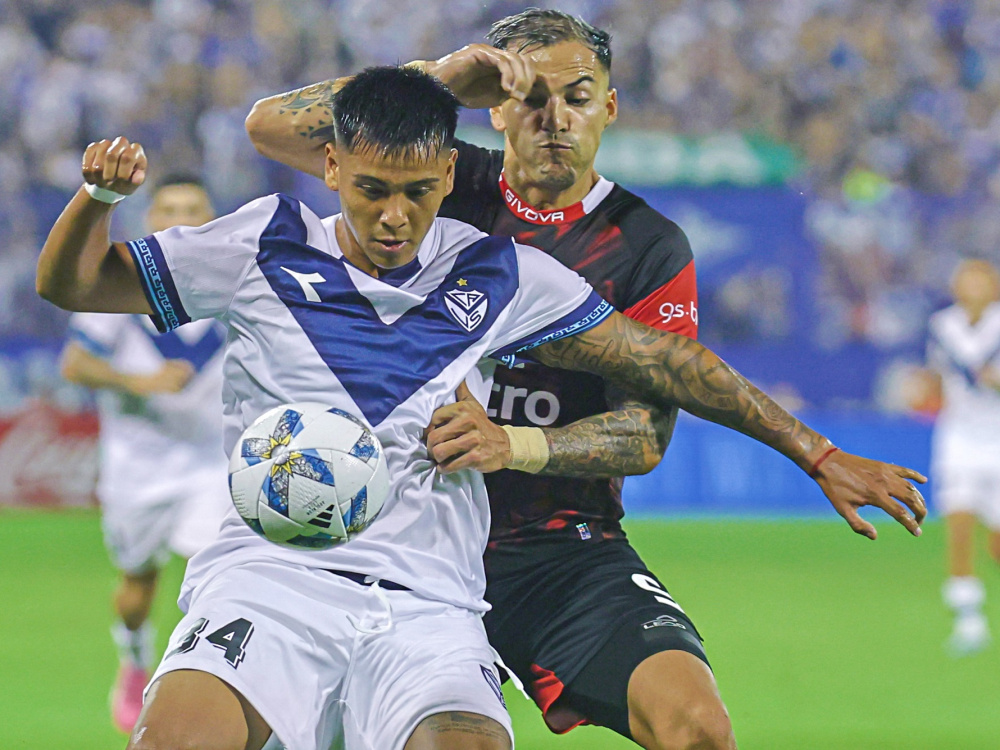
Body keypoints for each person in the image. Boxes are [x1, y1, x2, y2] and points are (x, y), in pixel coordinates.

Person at [38, 66, 925, 750]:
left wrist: (814, 452)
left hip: (427, 599)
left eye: (418, 192)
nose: (396, 217)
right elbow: (74, 284)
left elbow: (663, 362)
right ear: (333, 167)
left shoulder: (497, 272)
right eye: (372, 189)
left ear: (447, 174)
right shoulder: (261, 241)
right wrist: (99, 201)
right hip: (271, 579)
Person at [243, 9, 727, 747]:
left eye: (577, 96)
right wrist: (438, 79)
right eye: (532, 97)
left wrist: (514, 444)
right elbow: (271, 127)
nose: (554, 119)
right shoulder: (436, 178)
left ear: (610, 106)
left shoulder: (646, 245)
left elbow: (645, 434)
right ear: (496, 107)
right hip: (398, 537)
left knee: (697, 728)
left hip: (551, 551)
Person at [59, 174, 230, 734]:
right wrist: (141, 382)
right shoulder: (118, 284)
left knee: (215, 581)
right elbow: (75, 364)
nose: (180, 220)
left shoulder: (231, 287)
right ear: (151, 220)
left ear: (212, 220)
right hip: (138, 469)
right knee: (137, 591)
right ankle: (134, 660)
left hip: (213, 463)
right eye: (168, 209)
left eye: (193, 208)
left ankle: (197, 688)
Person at [926, 259, 1000, 655]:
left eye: (980, 280)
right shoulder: (942, 326)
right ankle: (968, 618)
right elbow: (940, 376)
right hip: (958, 439)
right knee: (958, 524)